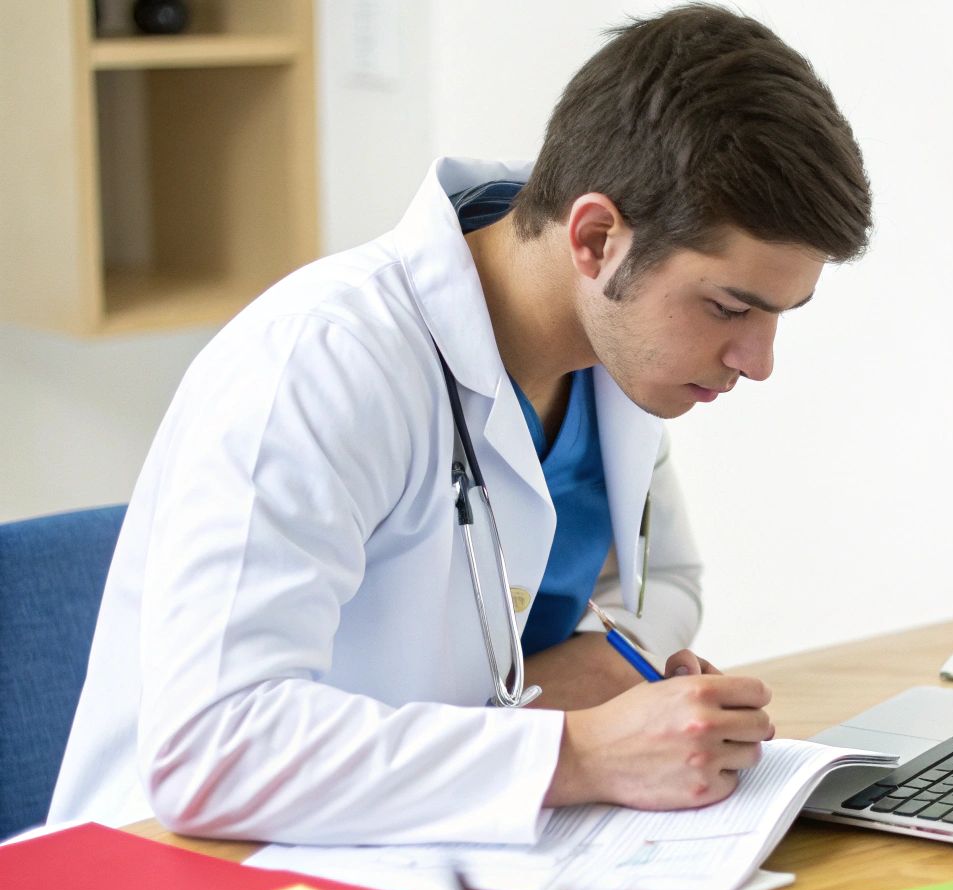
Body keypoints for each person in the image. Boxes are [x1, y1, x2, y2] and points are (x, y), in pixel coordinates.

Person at [47, 4, 872, 843]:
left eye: (783, 313)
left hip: (423, 851)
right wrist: (576, 751)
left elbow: (661, 587)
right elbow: (211, 751)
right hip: (180, 878)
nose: (758, 359)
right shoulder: (321, 361)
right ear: (596, 238)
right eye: (732, 306)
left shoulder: (616, 360)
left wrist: (608, 674)